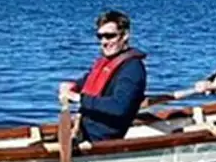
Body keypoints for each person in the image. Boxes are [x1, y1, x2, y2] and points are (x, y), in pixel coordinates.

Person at [57, 10, 148, 142]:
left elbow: (119, 107)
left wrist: (79, 98)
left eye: (110, 36)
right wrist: (73, 86)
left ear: (125, 36)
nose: (104, 42)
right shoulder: (107, 62)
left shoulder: (133, 69)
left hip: (100, 139)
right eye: (100, 37)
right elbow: (87, 81)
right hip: (82, 131)